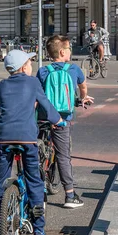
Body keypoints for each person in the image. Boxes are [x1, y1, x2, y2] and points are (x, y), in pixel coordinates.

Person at [0, 49, 62, 235]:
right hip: (27, 139)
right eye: (30, 63)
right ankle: (39, 231)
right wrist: (58, 120)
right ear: (23, 67)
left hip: (2, 139)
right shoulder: (32, 83)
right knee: (34, 181)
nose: (32, 66)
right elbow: (45, 105)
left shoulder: (1, 86)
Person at [37, 35, 94, 209]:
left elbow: (38, 94)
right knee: (63, 155)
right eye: (69, 49)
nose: (71, 51)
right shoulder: (74, 70)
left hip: (44, 117)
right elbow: (83, 87)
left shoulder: (42, 71)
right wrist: (83, 98)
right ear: (62, 52)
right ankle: (69, 195)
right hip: (63, 118)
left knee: (37, 150)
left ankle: (39, 187)